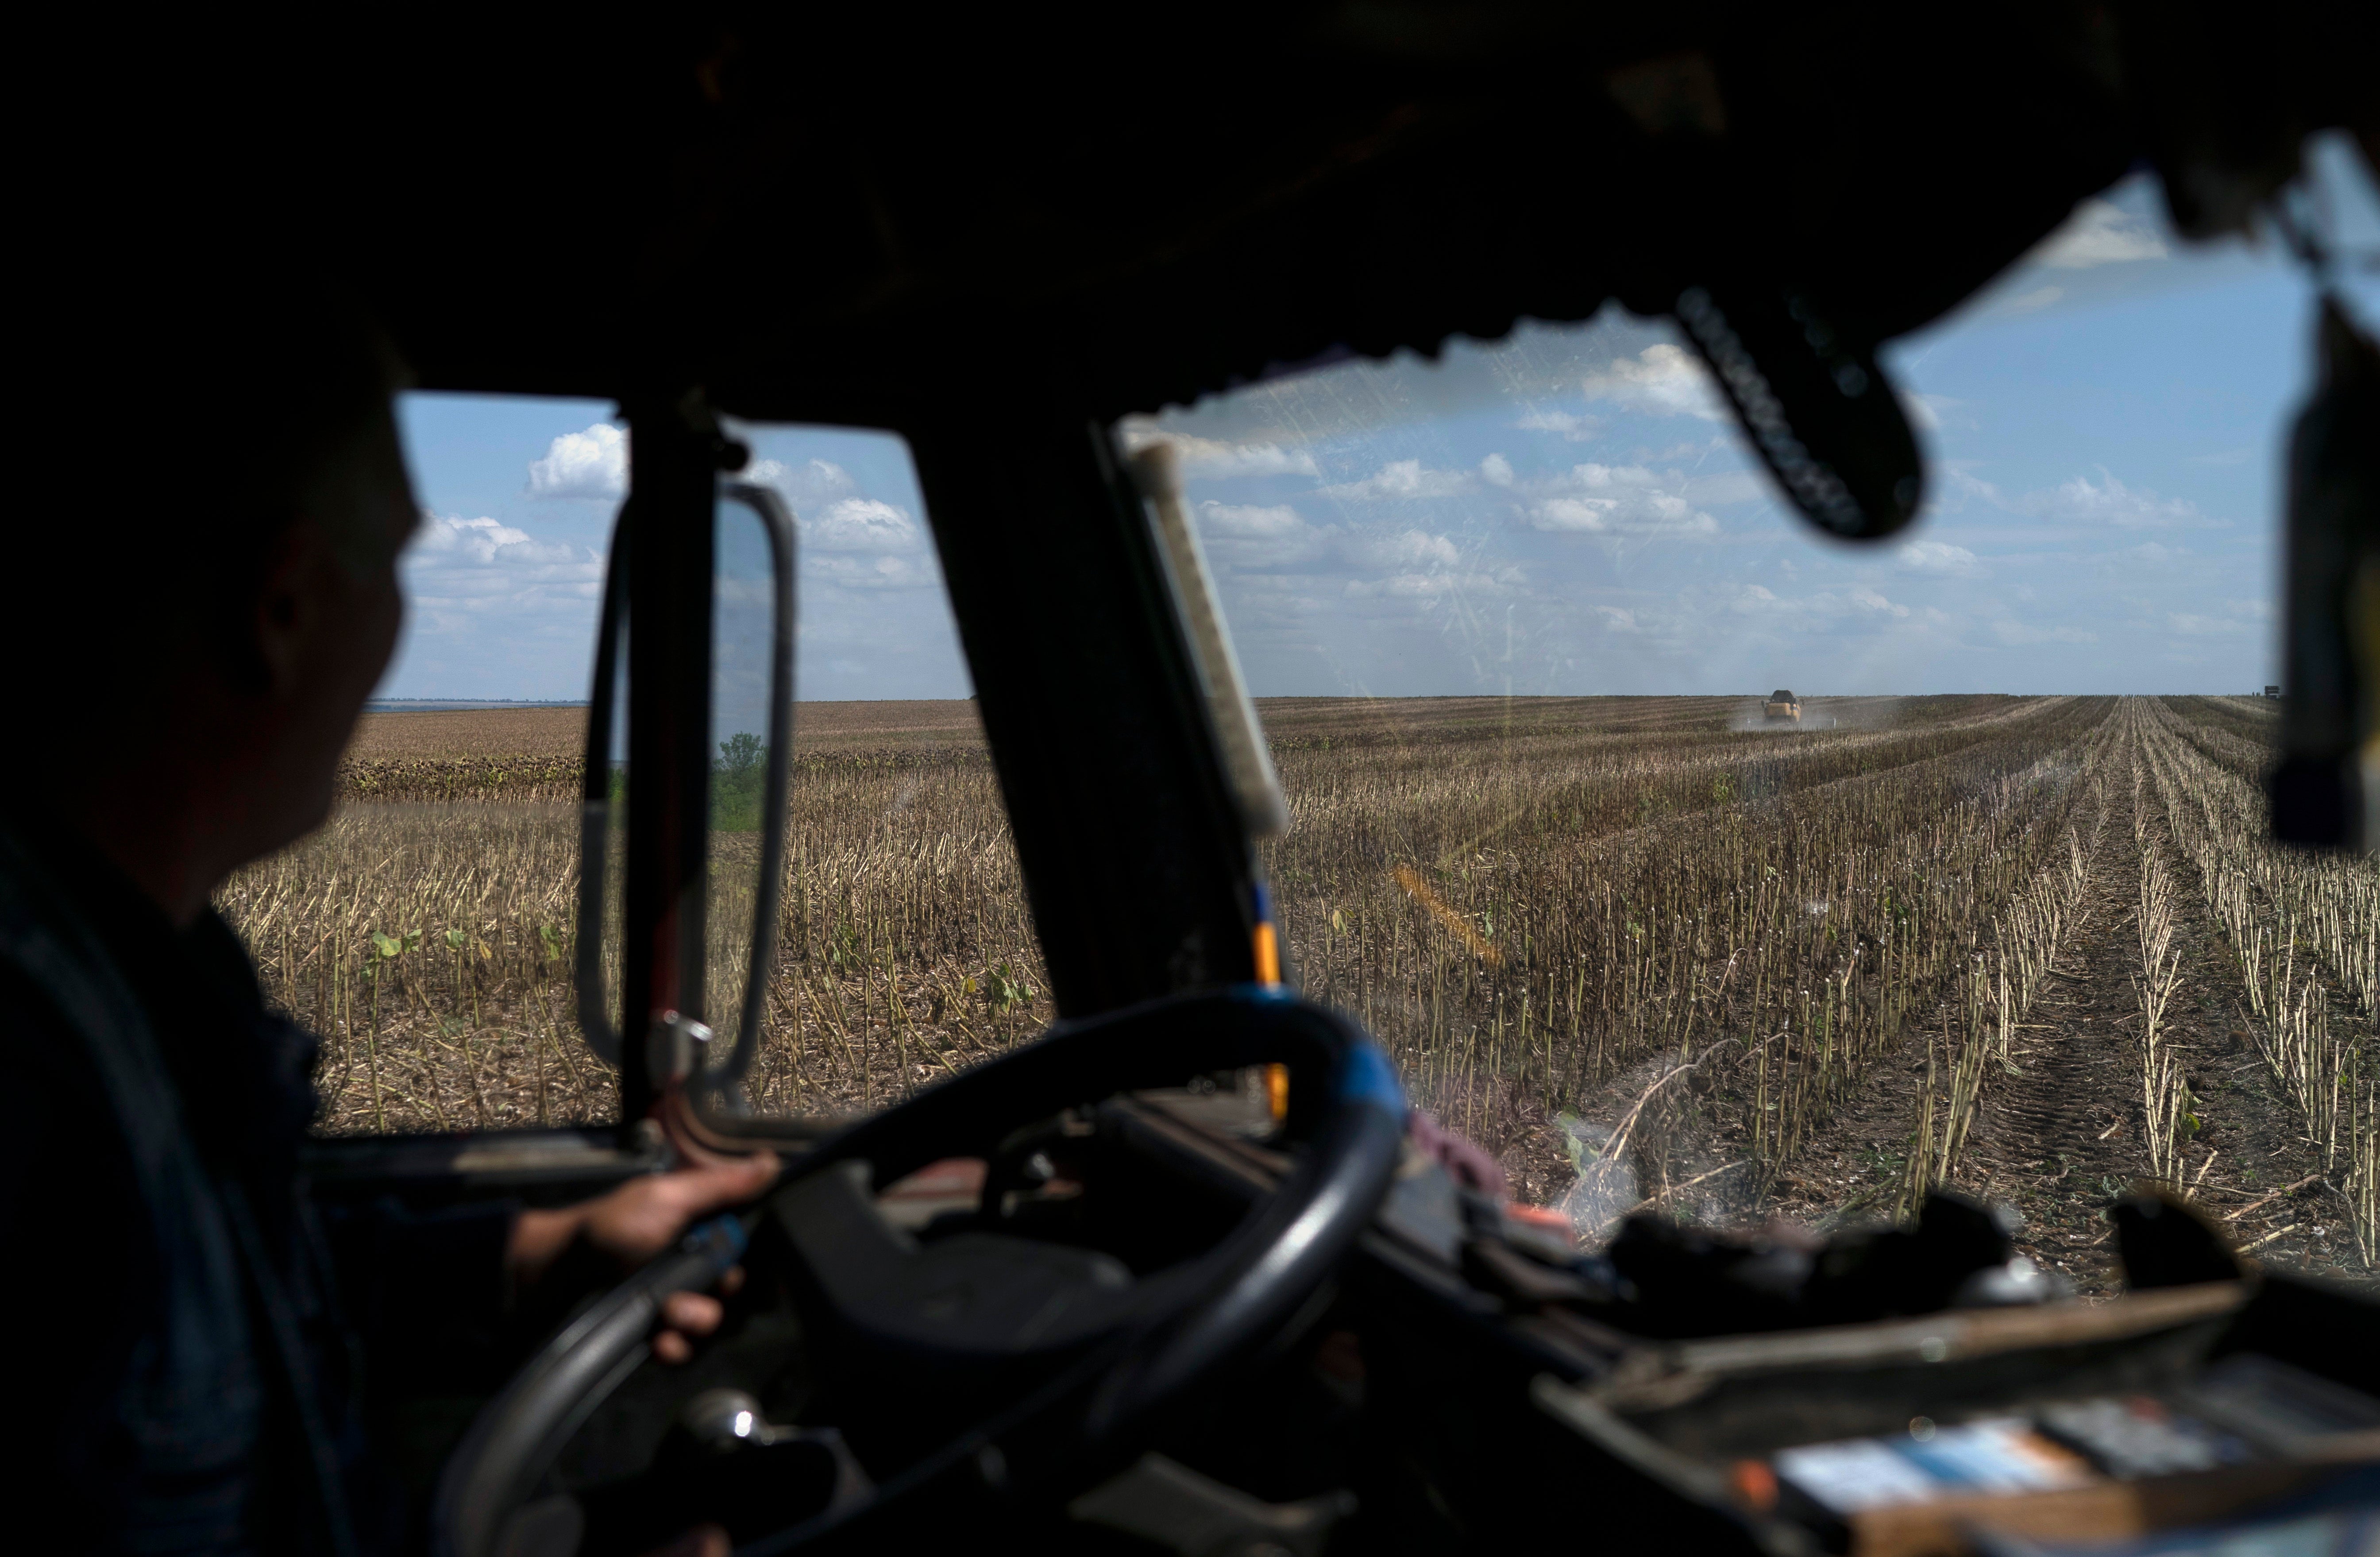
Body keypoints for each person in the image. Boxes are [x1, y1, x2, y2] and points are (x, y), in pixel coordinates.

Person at [1, 281, 768, 1554]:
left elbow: (233, 1293)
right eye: (404, 562)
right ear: (284, 605)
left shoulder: (141, 981)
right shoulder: (33, 1084)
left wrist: (532, 1251)